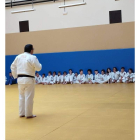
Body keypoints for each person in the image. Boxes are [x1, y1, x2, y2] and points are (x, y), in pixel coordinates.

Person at [11, 44, 42, 119]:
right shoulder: (32, 57)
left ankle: (22, 113)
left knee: (21, 96)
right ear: (31, 50)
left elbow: (12, 66)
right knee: (29, 97)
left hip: (20, 79)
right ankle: (28, 114)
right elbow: (39, 68)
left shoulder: (18, 57)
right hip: (29, 79)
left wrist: (15, 76)